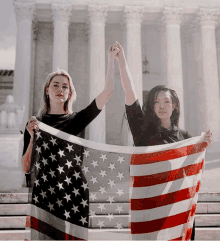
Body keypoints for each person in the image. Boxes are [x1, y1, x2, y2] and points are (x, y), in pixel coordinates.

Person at [113, 41, 212, 240]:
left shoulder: (185, 137)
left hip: (176, 208)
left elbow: (188, 173)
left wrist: (202, 146)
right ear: (151, 106)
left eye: (166, 101)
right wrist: (122, 62)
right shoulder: (142, 131)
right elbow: (130, 93)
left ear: (174, 105)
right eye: (156, 102)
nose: (162, 106)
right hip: (151, 207)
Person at [21, 44, 119, 237]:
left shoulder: (77, 119)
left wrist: (110, 60)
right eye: (55, 85)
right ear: (47, 91)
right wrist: (32, 139)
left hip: (74, 191)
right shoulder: (35, 124)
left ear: (70, 93)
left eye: (65, 86)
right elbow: (26, 168)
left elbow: (107, 92)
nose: (60, 89)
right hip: (45, 193)